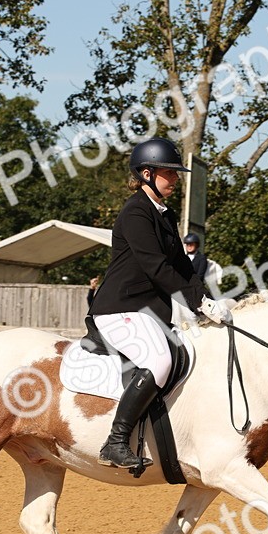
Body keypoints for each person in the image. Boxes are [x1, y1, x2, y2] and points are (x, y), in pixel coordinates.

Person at [89, 137, 231, 469]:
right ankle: (115, 441)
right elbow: (157, 268)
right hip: (119, 308)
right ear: (148, 173)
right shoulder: (136, 212)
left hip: (147, 312)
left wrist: (206, 301)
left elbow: (182, 266)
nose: (177, 179)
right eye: (171, 173)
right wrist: (198, 306)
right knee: (160, 361)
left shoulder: (163, 214)